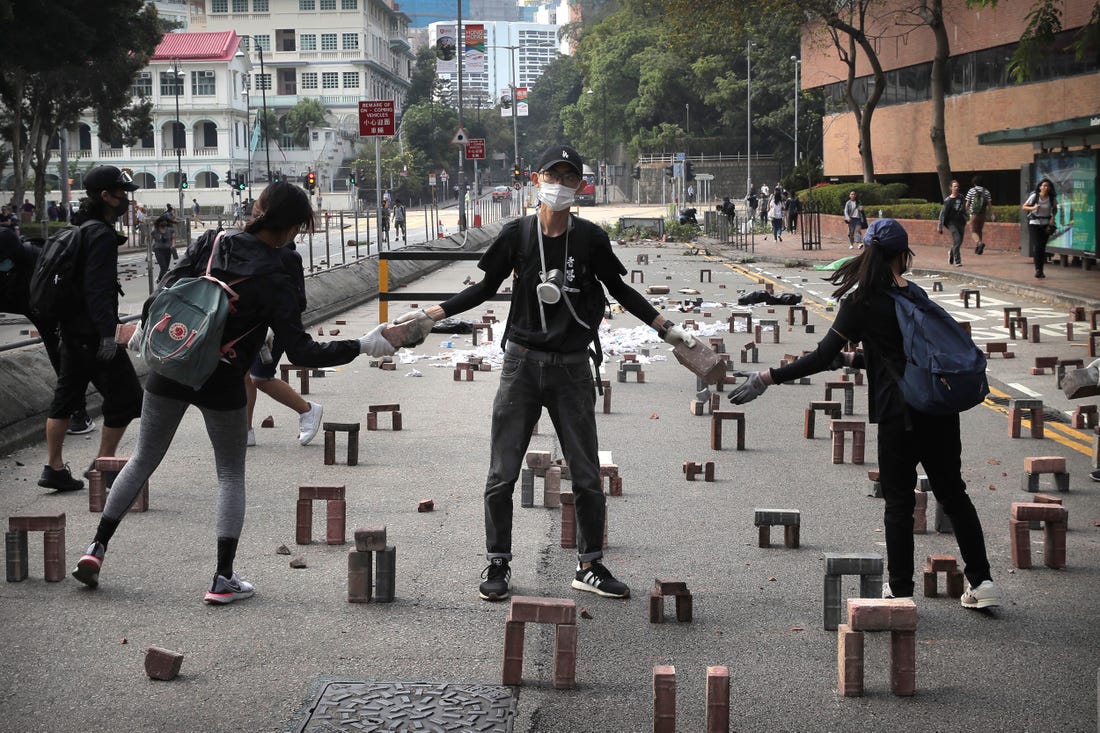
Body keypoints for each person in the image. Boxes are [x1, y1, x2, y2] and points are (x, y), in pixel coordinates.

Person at [393, 145, 699, 603]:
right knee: (502, 472)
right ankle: (498, 561)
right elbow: (483, 288)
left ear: (579, 185)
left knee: (587, 474)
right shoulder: (516, 234)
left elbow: (620, 289)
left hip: (573, 368)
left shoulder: (591, 239)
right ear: (537, 180)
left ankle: (590, 564)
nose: (561, 184)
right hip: (521, 364)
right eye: (554, 175)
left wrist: (668, 329)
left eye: (570, 177)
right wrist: (430, 316)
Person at [70, 181, 397, 603]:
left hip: (172, 363)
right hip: (223, 378)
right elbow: (301, 350)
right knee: (229, 473)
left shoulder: (212, 240)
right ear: (294, 227)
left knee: (143, 458)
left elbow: (161, 296)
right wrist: (362, 345)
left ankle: (96, 548)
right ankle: (222, 578)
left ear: (258, 207)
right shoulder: (279, 273)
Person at [729, 218, 999, 610]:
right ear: (902, 256)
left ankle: (902, 589)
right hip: (939, 410)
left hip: (899, 415)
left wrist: (768, 376)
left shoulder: (860, 302)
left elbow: (821, 357)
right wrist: (855, 359)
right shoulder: (916, 296)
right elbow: (899, 353)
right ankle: (982, 581)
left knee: (899, 502)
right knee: (954, 494)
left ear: (867, 251)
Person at [40, 165, 145, 492]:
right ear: (106, 196)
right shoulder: (100, 234)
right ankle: (103, 464)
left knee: (65, 398)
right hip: (93, 334)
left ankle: (54, 467)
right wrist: (107, 335)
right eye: (122, 193)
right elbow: (98, 290)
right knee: (128, 398)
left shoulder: (79, 227)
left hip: (71, 331)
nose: (126, 199)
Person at [0, 229, 94, 438]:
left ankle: (81, 413)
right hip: (39, 311)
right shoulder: (11, 263)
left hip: (59, 312)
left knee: (66, 360)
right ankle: (78, 411)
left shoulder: (38, 259)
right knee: (60, 360)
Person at [244, 241, 322, 448]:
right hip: (254, 324)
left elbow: (298, 300)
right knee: (244, 375)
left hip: (276, 325)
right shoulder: (254, 249)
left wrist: (273, 321)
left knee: (260, 377)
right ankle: (245, 431)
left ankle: (307, 410)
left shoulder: (287, 256)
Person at [1022, 178, 1058, 280]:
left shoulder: (1051, 198)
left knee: (1042, 247)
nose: (1046, 188)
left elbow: (1055, 208)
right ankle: (1038, 270)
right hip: (1034, 223)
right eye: (1044, 185)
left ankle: (1040, 270)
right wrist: (1033, 208)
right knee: (1038, 246)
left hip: (1046, 224)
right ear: (1040, 187)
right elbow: (1024, 206)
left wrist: (1052, 218)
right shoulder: (1035, 196)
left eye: (1048, 186)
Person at [938, 179, 967, 267]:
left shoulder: (961, 197)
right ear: (951, 188)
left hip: (960, 222)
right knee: (957, 239)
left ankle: (951, 251)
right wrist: (940, 226)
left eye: (957, 186)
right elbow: (943, 213)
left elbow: (963, 209)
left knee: (959, 241)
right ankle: (957, 261)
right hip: (951, 223)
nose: (956, 188)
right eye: (955, 186)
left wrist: (965, 217)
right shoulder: (948, 201)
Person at [965, 175, 992, 255]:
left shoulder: (971, 190)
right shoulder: (986, 191)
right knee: (979, 230)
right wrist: (992, 213)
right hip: (983, 214)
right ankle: (979, 249)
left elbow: (968, 203)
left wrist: (964, 211)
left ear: (974, 182)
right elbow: (989, 204)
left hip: (974, 213)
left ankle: (979, 243)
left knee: (973, 231)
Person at [151, 217, 176, 282]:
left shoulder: (170, 230)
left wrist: (173, 245)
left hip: (168, 250)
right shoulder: (155, 231)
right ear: (158, 223)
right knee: (163, 267)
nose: (163, 223)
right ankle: (160, 280)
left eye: (165, 221)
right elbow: (149, 240)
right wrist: (150, 249)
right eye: (162, 221)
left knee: (166, 268)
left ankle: (161, 280)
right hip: (158, 250)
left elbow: (173, 238)